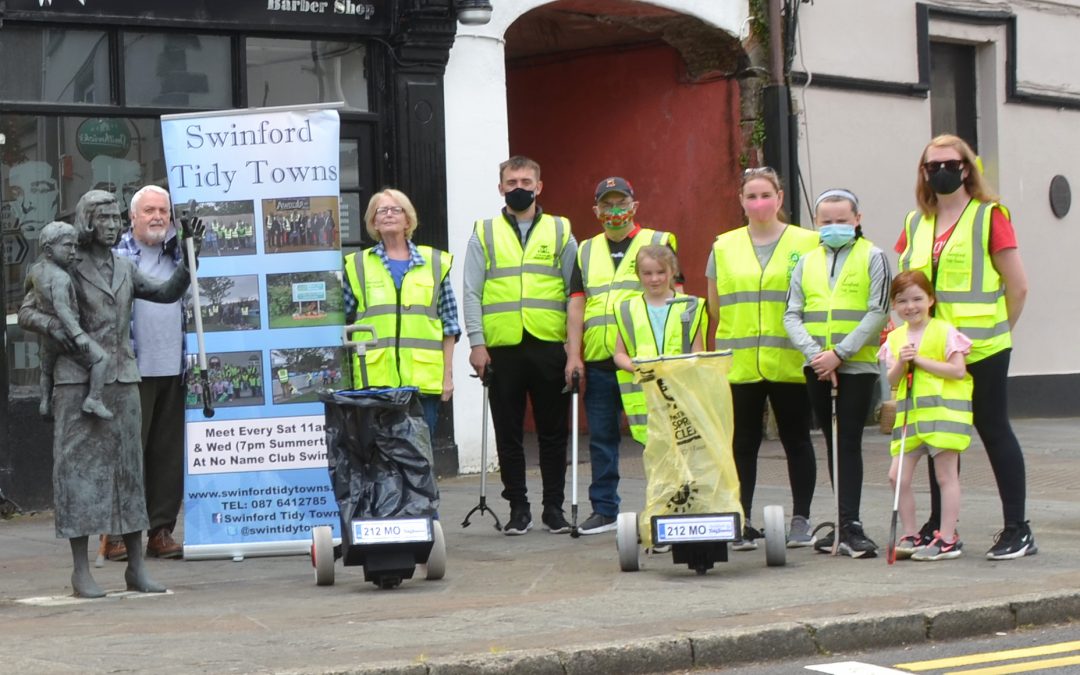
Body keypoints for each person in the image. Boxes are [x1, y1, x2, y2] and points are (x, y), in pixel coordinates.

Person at [17, 189, 195, 597]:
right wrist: (56, 328)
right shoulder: (65, 263)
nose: (113, 225)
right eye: (105, 218)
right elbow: (26, 311)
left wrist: (190, 258)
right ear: (86, 221)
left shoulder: (124, 267)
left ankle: (136, 568)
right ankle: (81, 571)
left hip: (123, 377)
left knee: (129, 472)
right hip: (76, 380)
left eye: (117, 218)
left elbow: (166, 293)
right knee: (77, 474)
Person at [896, 134, 1033, 560]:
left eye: (950, 164)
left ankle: (1018, 529)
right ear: (923, 173)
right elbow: (908, 285)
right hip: (934, 350)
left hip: (983, 349)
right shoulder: (915, 223)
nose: (941, 171)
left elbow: (1018, 287)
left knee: (993, 429)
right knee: (939, 434)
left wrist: (998, 331)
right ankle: (941, 529)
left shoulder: (989, 216)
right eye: (932, 165)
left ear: (967, 168)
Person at [463, 155, 579, 536]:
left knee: (553, 433)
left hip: (549, 344)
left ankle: (553, 508)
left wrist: (572, 349)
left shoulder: (561, 231)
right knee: (508, 432)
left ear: (539, 187)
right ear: (500, 188)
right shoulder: (484, 232)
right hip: (502, 347)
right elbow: (471, 291)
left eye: (526, 182)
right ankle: (518, 508)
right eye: (512, 182)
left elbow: (575, 294)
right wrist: (477, 344)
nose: (519, 188)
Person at [706, 167, 819, 550]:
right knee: (742, 444)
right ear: (741, 201)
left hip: (790, 361)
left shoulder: (808, 243)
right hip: (740, 363)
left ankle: (801, 519)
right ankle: (741, 518)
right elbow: (715, 306)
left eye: (766, 195)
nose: (759, 203)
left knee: (796, 440)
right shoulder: (723, 246)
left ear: (780, 198)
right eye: (751, 196)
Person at [784, 189, 891, 558]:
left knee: (848, 440)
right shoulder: (806, 262)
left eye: (842, 220)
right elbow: (791, 314)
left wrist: (840, 354)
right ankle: (842, 523)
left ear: (857, 220)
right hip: (817, 366)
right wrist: (817, 355)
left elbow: (878, 310)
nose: (834, 226)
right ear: (816, 223)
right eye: (826, 221)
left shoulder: (873, 256)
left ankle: (851, 524)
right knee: (831, 442)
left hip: (856, 365)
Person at [570, 178, 678, 535]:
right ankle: (604, 510)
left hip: (646, 361)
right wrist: (573, 355)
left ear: (635, 206)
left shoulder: (658, 241)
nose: (614, 211)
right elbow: (576, 304)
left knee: (658, 437)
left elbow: (678, 298)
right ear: (596, 210)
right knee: (602, 439)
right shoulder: (585, 250)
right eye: (607, 204)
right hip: (600, 358)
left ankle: (665, 504)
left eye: (621, 203)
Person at [104, 185, 192, 562]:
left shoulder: (180, 252)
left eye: (163, 211)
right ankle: (116, 534)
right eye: (149, 211)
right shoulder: (116, 255)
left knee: (167, 456)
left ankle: (160, 531)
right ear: (132, 217)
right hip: (131, 370)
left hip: (174, 367)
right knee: (127, 455)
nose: (157, 217)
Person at [343, 189, 460, 441]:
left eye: (396, 209)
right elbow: (341, 318)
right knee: (379, 455)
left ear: (408, 220)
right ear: (373, 222)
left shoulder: (434, 263)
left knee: (420, 453)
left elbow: (450, 325)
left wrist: (447, 377)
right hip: (375, 382)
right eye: (381, 210)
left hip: (422, 383)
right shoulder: (358, 265)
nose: (389, 214)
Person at [881, 271, 972, 561]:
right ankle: (911, 534)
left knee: (946, 477)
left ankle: (947, 537)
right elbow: (892, 379)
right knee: (896, 476)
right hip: (910, 420)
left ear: (931, 300)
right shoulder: (895, 338)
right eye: (902, 301)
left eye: (917, 299)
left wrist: (919, 360)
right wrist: (903, 362)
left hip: (943, 417)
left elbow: (958, 370)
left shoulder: (944, 331)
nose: (910, 306)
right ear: (894, 305)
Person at [613, 245, 706, 441]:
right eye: (647, 273)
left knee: (683, 455)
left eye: (661, 272)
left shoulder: (690, 306)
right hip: (646, 395)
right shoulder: (628, 308)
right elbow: (619, 353)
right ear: (638, 274)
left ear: (673, 271)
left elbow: (698, 353)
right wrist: (637, 368)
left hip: (681, 394)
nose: (654, 279)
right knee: (654, 455)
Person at [26, 221, 113, 420]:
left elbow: (26, 287)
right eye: (67, 246)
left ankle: (45, 402)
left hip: (49, 340)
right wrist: (78, 334)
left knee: (46, 369)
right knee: (101, 359)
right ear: (48, 250)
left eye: (75, 246)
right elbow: (62, 308)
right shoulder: (61, 277)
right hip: (68, 334)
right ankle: (94, 399)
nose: (73, 251)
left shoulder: (35, 270)